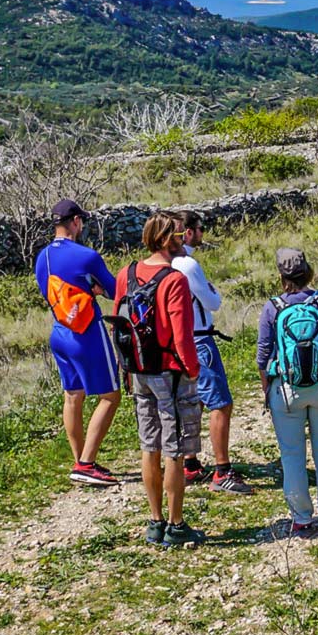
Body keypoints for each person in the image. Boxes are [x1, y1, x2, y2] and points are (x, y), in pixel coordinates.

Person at [114, 212, 204, 547]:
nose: (185, 241)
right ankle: (176, 524)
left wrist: (126, 368)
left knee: (148, 446)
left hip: (139, 370)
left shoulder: (127, 274)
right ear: (168, 239)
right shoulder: (174, 280)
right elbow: (183, 336)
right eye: (180, 236)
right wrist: (193, 370)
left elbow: (119, 323)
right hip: (171, 372)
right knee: (175, 448)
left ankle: (155, 521)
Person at [256, 248, 318, 535]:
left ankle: (301, 518)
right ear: (308, 271)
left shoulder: (273, 307)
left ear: (281, 276)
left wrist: (267, 388)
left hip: (285, 388)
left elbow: (262, 355)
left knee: (292, 454)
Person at [34, 198, 121, 487]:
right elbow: (113, 290)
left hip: (60, 332)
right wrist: (94, 290)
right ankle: (86, 463)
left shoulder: (42, 257)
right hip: (87, 331)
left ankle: (80, 460)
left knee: (73, 396)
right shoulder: (88, 256)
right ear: (76, 222)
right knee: (110, 396)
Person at [172, 210, 252, 495]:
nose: (203, 234)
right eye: (200, 228)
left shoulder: (165, 264)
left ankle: (189, 462)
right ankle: (222, 470)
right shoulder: (188, 265)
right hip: (200, 341)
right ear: (190, 232)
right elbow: (213, 302)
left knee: (192, 402)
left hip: (177, 342)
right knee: (220, 403)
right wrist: (211, 290)